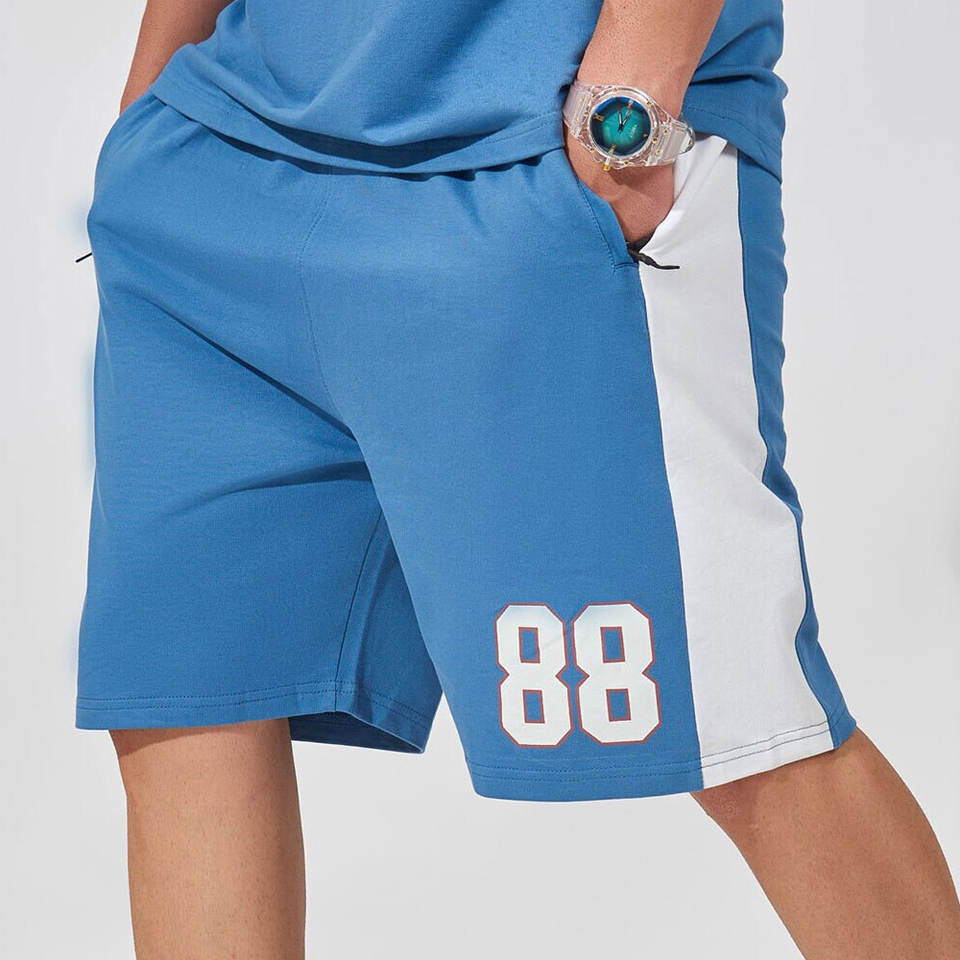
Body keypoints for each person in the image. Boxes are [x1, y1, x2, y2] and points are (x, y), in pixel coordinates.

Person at [77, 0, 960, 956]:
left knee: (740, 726)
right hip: (209, 173)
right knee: (188, 704)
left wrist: (622, 132)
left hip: (524, 162)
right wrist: (148, 105)